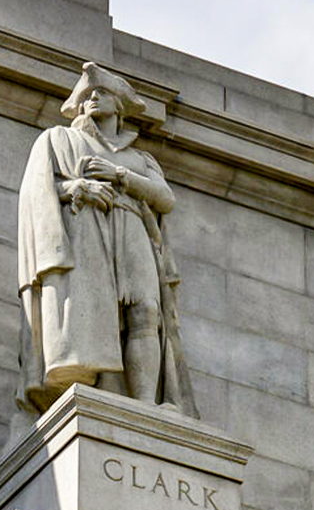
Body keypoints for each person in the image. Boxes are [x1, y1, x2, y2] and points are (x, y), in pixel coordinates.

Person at [13, 61, 195, 428]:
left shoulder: (139, 158)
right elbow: (37, 192)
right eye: (86, 95)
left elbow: (165, 199)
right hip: (87, 232)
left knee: (145, 310)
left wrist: (119, 176)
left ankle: (144, 403)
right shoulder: (58, 140)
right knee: (99, 314)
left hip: (131, 226)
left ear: (120, 105)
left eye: (102, 92)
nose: (92, 98)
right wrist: (77, 187)